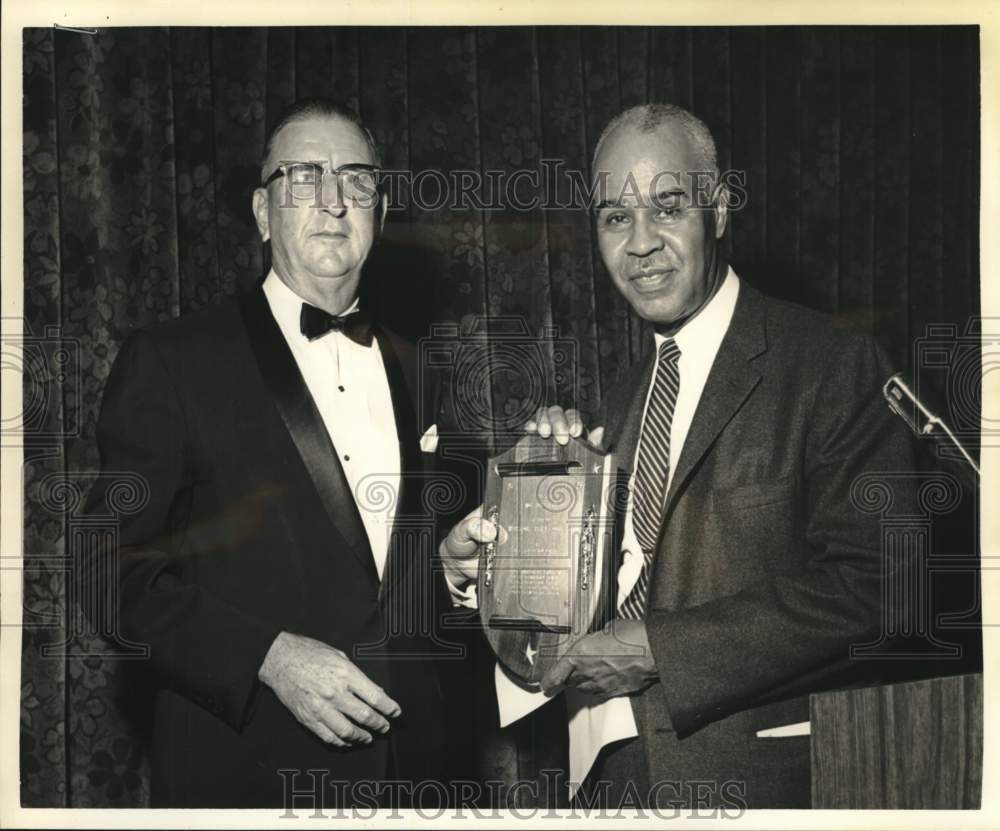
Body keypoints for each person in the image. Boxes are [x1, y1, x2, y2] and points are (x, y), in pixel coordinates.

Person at [442, 103, 916, 808]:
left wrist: (660, 650)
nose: (640, 243)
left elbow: (884, 587)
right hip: (606, 779)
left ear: (719, 210)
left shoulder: (832, 363)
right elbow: (576, 611)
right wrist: (489, 561)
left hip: (758, 783)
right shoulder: (620, 398)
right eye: (613, 217)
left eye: (667, 205)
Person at [80, 98, 467, 808]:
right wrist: (267, 655)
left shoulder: (424, 373)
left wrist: (456, 573)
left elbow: (405, 589)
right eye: (303, 177)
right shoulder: (172, 360)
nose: (332, 200)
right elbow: (106, 570)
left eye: (356, 179)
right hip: (244, 775)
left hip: (414, 774)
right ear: (262, 212)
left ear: (378, 211)